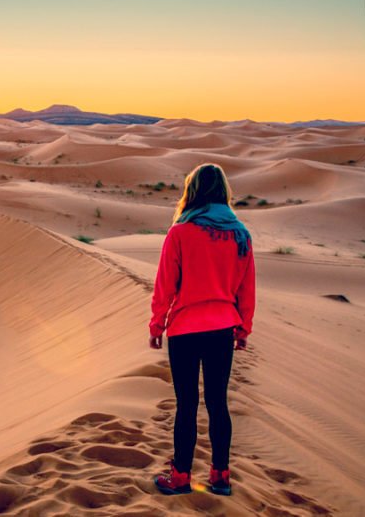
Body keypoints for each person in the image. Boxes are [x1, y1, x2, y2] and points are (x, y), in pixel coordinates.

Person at [149, 163, 255, 497]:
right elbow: (247, 288)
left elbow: (164, 285)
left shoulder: (180, 233)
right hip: (222, 328)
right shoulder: (240, 234)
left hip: (184, 329)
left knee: (187, 404)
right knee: (218, 403)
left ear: (192, 191)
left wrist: (156, 323)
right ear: (224, 191)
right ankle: (221, 477)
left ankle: (181, 477)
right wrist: (243, 328)